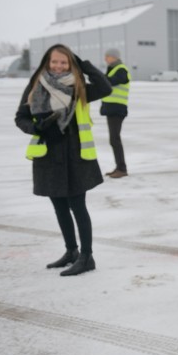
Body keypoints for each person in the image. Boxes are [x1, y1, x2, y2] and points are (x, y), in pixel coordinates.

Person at [14, 44, 112, 276]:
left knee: (78, 206)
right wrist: (38, 128)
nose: (58, 66)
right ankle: (71, 251)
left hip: (76, 157)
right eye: (54, 62)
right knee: (59, 207)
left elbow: (105, 87)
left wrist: (84, 64)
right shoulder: (36, 86)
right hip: (48, 157)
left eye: (64, 62)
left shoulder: (79, 88)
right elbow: (21, 118)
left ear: (71, 64)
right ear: (47, 63)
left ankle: (87, 256)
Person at [100, 48, 130, 178]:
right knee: (114, 139)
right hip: (112, 109)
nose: (105, 59)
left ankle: (122, 169)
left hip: (117, 109)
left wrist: (100, 78)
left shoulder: (121, 69)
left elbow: (112, 81)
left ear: (114, 57)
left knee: (114, 139)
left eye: (107, 56)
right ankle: (119, 167)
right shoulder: (112, 69)